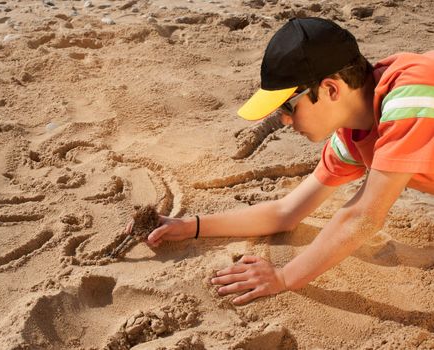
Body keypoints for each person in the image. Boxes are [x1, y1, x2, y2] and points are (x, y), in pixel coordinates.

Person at [145, 17, 434, 305]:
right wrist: (189, 226)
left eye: (288, 106)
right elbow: (286, 212)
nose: (284, 120)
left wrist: (285, 277)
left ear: (331, 90)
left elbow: (363, 217)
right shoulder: (354, 134)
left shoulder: (409, 96)